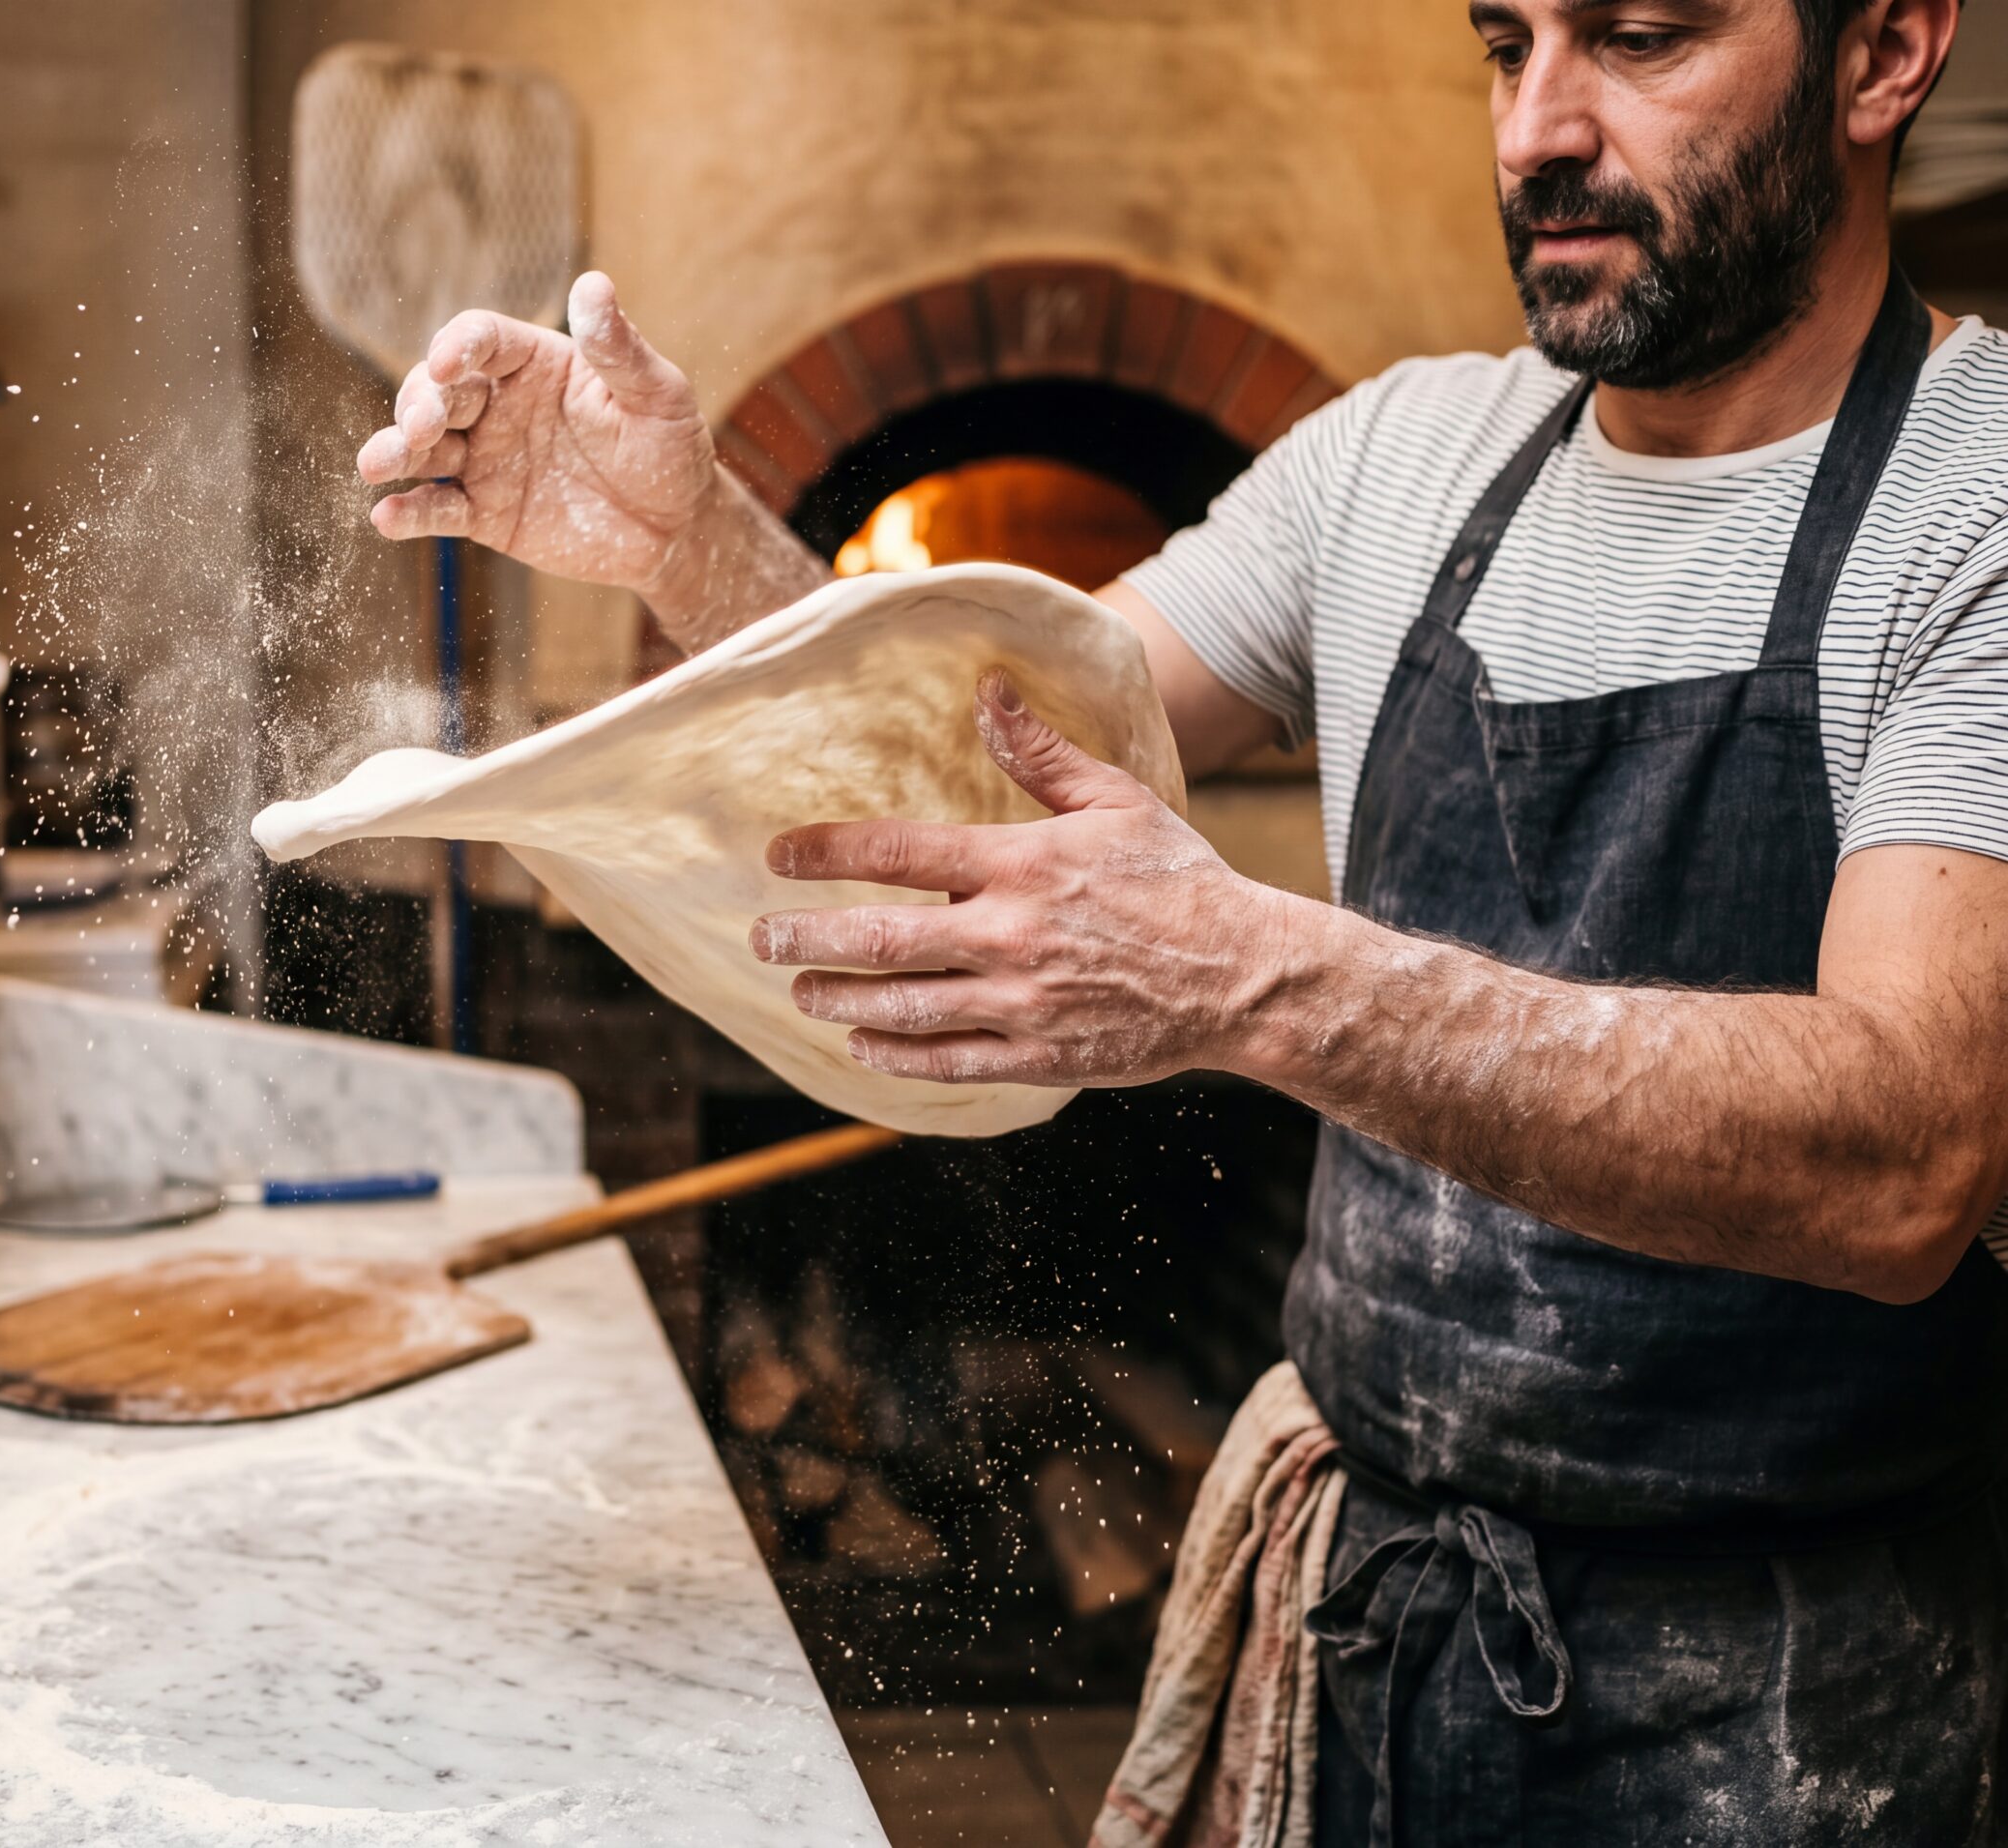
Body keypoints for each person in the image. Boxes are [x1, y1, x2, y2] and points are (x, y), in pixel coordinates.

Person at [358, 0, 2008, 1836]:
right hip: (1379, 1631)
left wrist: (1252, 974)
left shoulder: (1977, 504)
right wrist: (687, 539)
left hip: (1800, 1708)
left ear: (1883, 56)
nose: (1537, 127)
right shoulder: (1398, 465)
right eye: (1502, 42)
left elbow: (1905, 1158)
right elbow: (971, 785)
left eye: (1635, 38)